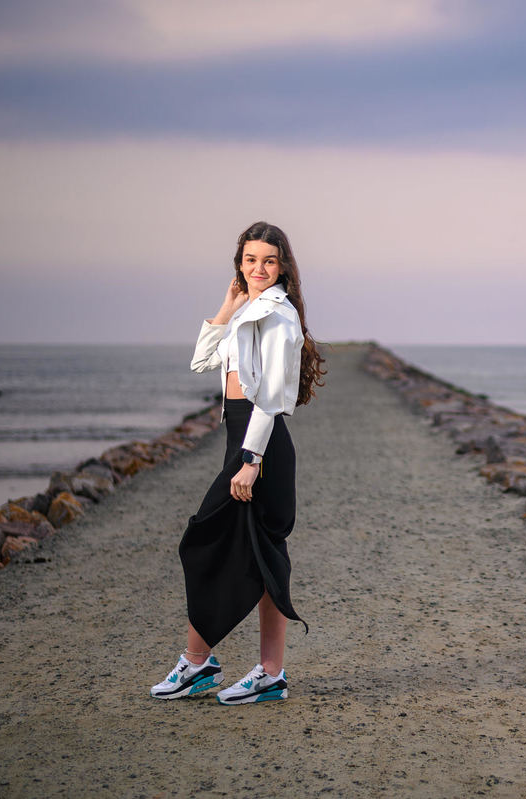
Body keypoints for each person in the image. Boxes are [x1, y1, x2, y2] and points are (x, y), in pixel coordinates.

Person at [151, 221, 325, 705]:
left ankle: (204, 664)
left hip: (259, 446)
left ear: (283, 266)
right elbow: (202, 361)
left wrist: (250, 461)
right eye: (250, 260)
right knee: (252, 554)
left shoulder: (279, 314)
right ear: (239, 264)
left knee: (207, 542)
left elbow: (270, 396)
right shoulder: (248, 307)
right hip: (242, 440)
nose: (259, 269)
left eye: (269, 261)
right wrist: (227, 307)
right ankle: (245, 671)